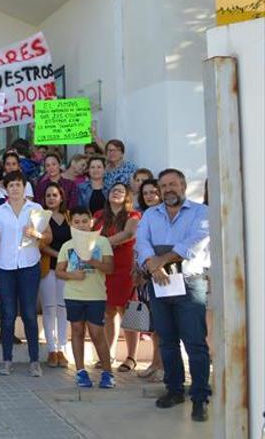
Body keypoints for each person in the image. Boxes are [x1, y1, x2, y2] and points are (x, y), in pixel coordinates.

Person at [135, 169, 211, 422]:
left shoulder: (201, 213)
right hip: (160, 284)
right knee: (167, 341)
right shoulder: (150, 214)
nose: (169, 189)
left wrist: (160, 260)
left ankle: (200, 396)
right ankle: (175, 390)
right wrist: (151, 263)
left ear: (184, 186)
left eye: (173, 184)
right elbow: (141, 242)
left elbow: (194, 243)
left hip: (189, 284)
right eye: (164, 185)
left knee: (195, 343)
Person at [0, 171, 52, 377]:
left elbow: (48, 236)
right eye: (11, 185)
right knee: (7, 315)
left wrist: (37, 235)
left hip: (29, 265)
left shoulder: (35, 208)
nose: (15, 188)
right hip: (4, 266)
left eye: (18, 184)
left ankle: (34, 361)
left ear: (24, 187)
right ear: (5, 189)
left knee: (29, 314)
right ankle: (7, 360)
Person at [56, 207, 116, 389]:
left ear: (91, 222)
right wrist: (72, 275)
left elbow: (110, 268)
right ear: (71, 224)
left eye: (84, 221)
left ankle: (107, 372)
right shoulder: (67, 246)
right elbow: (59, 272)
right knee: (77, 331)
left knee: (97, 333)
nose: (81, 225)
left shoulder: (102, 242)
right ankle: (81, 371)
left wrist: (92, 261)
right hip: (73, 295)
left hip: (96, 296)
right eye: (76, 222)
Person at [94, 183, 141, 371]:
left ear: (128, 196)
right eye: (113, 190)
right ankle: (109, 355)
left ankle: (131, 357)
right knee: (108, 311)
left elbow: (129, 234)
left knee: (127, 311)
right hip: (106, 268)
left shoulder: (133, 215)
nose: (116, 193)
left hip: (125, 267)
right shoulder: (98, 216)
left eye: (121, 191)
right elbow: (89, 236)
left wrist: (102, 243)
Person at [38, 183, 72, 368]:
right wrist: (58, 255)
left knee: (63, 308)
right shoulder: (41, 218)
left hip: (66, 268)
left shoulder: (69, 217)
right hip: (48, 267)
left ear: (61, 197)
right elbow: (41, 244)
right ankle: (52, 349)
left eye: (55, 195)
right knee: (49, 307)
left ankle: (62, 350)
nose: (51, 198)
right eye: (48, 195)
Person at [134, 178, 164, 382]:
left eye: (153, 192)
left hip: (162, 273)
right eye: (145, 193)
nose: (150, 196)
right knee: (153, 325)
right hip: (145, 273)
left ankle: (163, 366)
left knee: (163, 325)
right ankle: (154, 363)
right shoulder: (144, 216)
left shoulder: (167, 215)